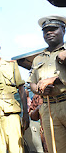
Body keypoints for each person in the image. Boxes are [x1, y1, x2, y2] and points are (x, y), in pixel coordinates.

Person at [28, 15, 66, 153]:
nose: (49, 33)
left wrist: (54, 80)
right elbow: (31, 83)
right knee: (56, 149)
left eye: (53, 29)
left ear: (63, 29)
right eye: (46, 31)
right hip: (49, 108)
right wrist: (39, 89)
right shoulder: (38, 58)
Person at [0, 39, 29, 153]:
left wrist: (25, 113)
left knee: (16, 148)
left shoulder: (11, 65)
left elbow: (21, 89)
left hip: (11, 112)